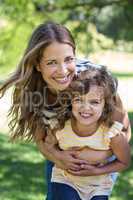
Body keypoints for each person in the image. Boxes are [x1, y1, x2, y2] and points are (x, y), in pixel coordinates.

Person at [0, 22, 131, 200]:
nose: (63, 71)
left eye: (69, 59)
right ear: (38, 65)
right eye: (52, 62)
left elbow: (123, 129)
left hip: (102, 155)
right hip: (62, 149)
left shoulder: (94, 81)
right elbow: (41, 140)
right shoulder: (35, 91)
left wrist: (101, 155)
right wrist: (58, 156)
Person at [50, 66, 131, 200]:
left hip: (98, 185)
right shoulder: (61, 127)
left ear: (105, 105)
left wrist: (96, 171)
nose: (85, 108)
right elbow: (48, 146)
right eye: (78, 100)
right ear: (71, 101)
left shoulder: (111, 133)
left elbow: (124, 162)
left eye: (94, 102)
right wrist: (58, 155)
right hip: (65, 179)